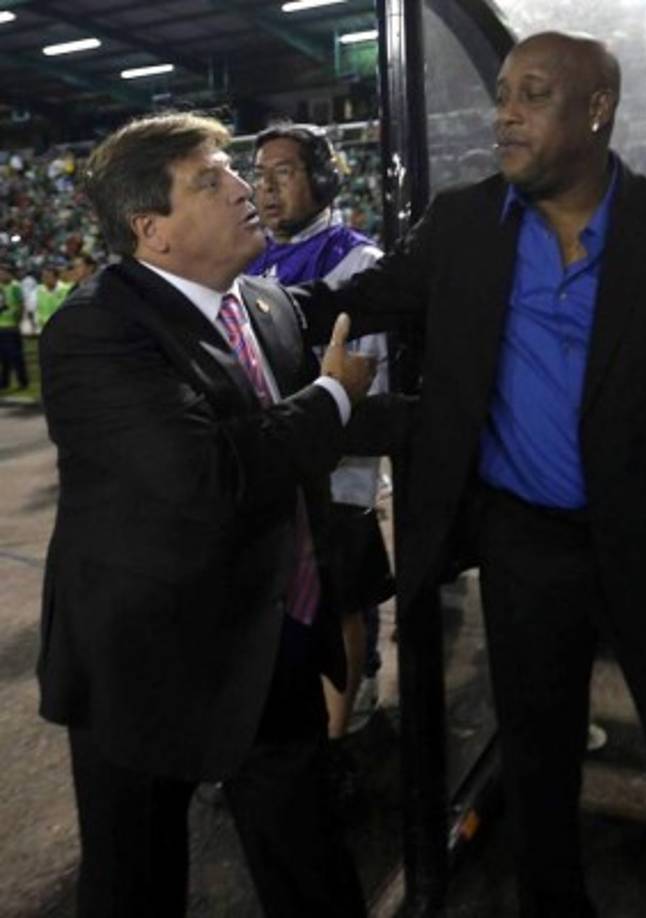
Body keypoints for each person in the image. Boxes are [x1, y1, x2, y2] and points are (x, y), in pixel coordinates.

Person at [294, 32, 646, 918]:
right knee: (537, 774)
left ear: (596, 109)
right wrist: (223, 293)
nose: (504, 115)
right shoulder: (459, 225)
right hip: (525, 547)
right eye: (500, 95)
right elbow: (352, 298)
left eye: (531, 95)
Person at [37, 111, 376, 918]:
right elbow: (205, 473)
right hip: (146, 662)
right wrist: (333, 396)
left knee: (314, 871)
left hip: (270, 639)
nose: (241, 186)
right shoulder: (94, 330)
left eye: (233, 170)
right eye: (210, 179)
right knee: (136, 883)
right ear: (150, 229)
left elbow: (359, 308)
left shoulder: (262, 302)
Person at [248, 122, 392, 744]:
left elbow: (368, 379)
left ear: (326, 179)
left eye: (283, 172)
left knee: (343, 601)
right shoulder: (248, 254)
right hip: (274, 463)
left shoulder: (358, 259)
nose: (267, 188)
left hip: (337, 474)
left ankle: (344, 730)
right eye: (260, 174)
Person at [0, 262, 29, 390]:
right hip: (1, 327)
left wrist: (17, 321)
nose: (1, 275)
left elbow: (21, 305)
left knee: (16, 357)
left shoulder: (15, 286)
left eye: (3, 272)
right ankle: (4, 382)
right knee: (3, 358)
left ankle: (23, 381)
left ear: (9, 274)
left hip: (11, 327)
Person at [35, 263, 70, 330]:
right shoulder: (39, 290)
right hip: (44, 327)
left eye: (48, 277)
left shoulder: (66, 290)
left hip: (62, 327)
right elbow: (37, 309)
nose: (45, 279)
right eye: (43, 276)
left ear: (56, 278)